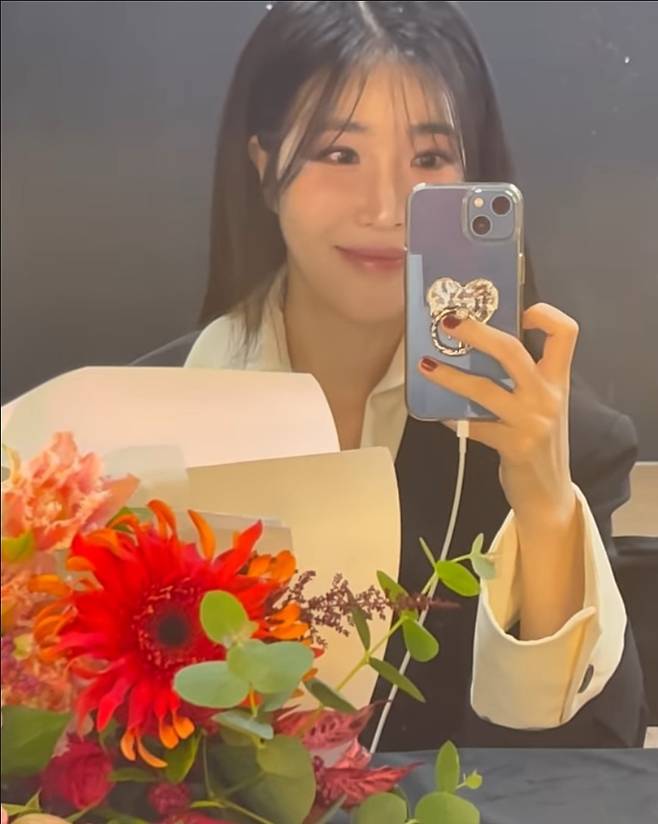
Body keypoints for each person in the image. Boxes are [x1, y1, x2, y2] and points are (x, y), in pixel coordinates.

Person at [181, 1, 647, 750]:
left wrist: (546, 510)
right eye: (339, 153)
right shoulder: (130, 422)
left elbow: (577, 774)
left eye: (429, 160)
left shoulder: (558, 438)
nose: (386, 208)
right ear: (264, 167)